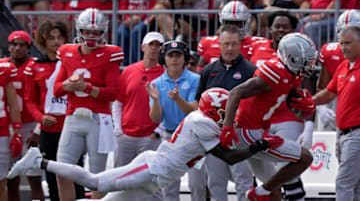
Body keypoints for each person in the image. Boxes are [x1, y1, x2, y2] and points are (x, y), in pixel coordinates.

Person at [7, 87, 284, 201]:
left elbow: (229, 145)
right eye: (225, 111)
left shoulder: (203, 119)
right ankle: (39, 161)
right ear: (214, 110)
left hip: (158, 177)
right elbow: (230, 156)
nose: (229, 116)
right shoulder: (204, 123)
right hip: (154, 168)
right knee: (96, 183)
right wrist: (259, 146)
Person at [219, 32, 316, 201]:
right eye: (305, 60)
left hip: (258, 130)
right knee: (305, 158)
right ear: (291, 58)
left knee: (274, 190)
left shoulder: (290, 73)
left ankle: (261, 193)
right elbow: (236, 92)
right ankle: (257, 193)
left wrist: (305, 104)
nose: (309, 65)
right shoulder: (275, 71)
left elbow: (287, 96)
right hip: (247, 132)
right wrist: (227, 127)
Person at [53, 8, 123, 200]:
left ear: (103, 32)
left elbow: (113, 93)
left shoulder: (111, 54)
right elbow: (57, 89)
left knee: (98, 175)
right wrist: (68, 85)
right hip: (73, 116)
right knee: (62, 168)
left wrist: (87, 87)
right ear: (79, 30)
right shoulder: (67, 52)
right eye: (88, 31)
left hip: (99, 119)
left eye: (96, 32)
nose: (92, 36)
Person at [249, 11, 313, 201]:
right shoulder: (257, 47)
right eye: (277, 26)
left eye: (285, 27)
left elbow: (307, 88)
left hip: (287, 116)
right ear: (270, 29)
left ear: (293, 30)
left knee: (286, 166)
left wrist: (309, 123)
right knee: (262, 172)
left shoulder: (301, 48)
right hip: (259, 120)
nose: (281, 30)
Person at [24, 20, 86, 201]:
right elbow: (29, 100)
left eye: (59, 37)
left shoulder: (74, 63)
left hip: (72, 125)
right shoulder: (34, 66)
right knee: (52, 175)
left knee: (76, 172)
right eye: (51, 38)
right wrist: (40, 118)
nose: (56, 41)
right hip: (48, 128)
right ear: (43, 40)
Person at [195, 24, 256, 201]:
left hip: (239, 132)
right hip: (213, 134)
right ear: (219, 44)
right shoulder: (209, 71)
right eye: (226, 44)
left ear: (240, 45)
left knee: (243, 180)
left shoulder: (251, 71)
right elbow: (199, 101)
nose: (230, 48)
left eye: (234, 44)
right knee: (215, 181)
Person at [111, 31, 164, 201]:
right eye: (151, 44)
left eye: (158, 45)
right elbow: (118, 103)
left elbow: (169, 108)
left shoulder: (166, 74)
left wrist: (158, 132)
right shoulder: (128, 71)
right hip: (127, 136)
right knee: (120, 181)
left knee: (152, 184)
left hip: (150, 137)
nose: (154, 48)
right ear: (143, 47)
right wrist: (119, 130)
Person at [146, 40, 199, 201]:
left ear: (185, 58)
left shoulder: (196, 79)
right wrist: (155, 100)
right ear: (164, 59)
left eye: (178, 55)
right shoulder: (156, 83)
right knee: (168, 186)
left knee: (197, 184)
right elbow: (156, 118)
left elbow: (193, 110)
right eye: (170, 55)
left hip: (193, 137)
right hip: (170, 136)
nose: (174, 59)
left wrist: (177, 99)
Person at [312, 25, 360, 201]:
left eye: (348, 43)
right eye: (341, 43)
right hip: (343, 133)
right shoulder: (343, 67)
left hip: (356, 133)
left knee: (343, 183)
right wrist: (311, 101)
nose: (343, 48)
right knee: (355, 185)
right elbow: (329, 93)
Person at [0, 30, 44, 201]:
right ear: (8, 47)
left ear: (28, 48)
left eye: (22, 45)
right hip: (7, 127)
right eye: (14, 44)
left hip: (31, 125)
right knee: (10, 177)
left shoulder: (36, 65)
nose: (17, 48)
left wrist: (39, 129)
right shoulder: (3, 66)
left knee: (34, 177)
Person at [316, 10, 360, 131]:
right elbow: (323, 86)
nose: (347, 35)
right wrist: (322, 107)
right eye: (344, 32)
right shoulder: (330, 52)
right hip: (336, 99)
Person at [197, 0, 264, 71]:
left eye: (238, 23)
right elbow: (200, 70)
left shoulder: (258, 44)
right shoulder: (208, 43)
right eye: (230, 23)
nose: (234, 27)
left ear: (246, 22)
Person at [0, 63, 21, 201]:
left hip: (1, 131)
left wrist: (17, 131)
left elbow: (13, 104)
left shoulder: (3, 71)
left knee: (1, 182)